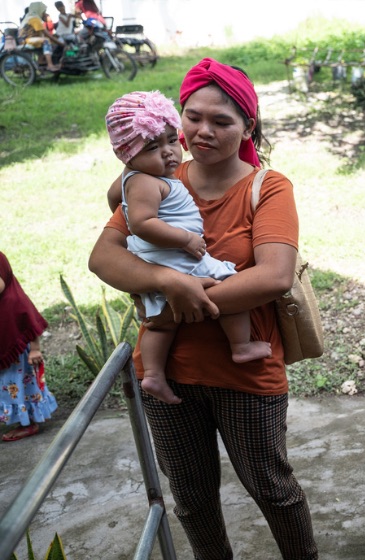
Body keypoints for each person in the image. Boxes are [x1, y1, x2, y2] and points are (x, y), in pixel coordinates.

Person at [89, 58, 318, 559]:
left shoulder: (268, 187)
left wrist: (181, 303)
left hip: (247, 374)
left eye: (222, 121)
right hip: (168, 373)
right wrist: (170, 281)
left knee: (274, 492)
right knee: (191, 502)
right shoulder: (155, 178)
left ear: (247, 127)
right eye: (192, 117)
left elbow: (274, 276)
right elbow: (103, 258)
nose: (203, 131)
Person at [105, 90, 272, 405]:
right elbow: (140, 224)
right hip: (178, 257)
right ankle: (241, 345)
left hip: (167, 262)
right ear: (127, 154)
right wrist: (184, 241)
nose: (169, 153)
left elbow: (116, 199)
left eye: (171, 140)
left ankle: (154, 374)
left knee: (160, 322)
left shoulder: (142, 177)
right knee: (229, 282)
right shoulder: (145, 181)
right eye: (153, 147)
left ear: (248, 127)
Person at [0, 251, 58, 442]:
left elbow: (31, 323)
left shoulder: (14, 300)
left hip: (19, 360)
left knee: (20, 389)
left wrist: (35, 349)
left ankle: (28, 424)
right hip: (6, 359)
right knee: (7, 389)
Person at [18, 2, 61, 71]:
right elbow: (46, 33)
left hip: (28, 39)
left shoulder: (30, 17)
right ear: (38, 9)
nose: (44, 13)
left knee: (46, 41)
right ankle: (50, 65)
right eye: (43, 11)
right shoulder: (34, 18)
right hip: (26, 40)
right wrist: (60, 43)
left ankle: (42, 63)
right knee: (46, 41)